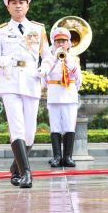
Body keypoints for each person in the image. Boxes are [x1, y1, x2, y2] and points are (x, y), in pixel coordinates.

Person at [0, 0, 47, 188]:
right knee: (17, 127)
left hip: (31, 80)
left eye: (21, 2)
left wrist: (44, 68)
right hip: (10, 80)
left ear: (28, 5)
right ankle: (27, 174)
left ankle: (15, 168)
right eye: (13, 2)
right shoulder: (0, 31)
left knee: (30, 132)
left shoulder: (38, 29)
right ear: (8, 7)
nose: (18, 5)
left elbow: (47, 55)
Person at [40, 27, 82, 168]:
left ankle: (68, 157)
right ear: (53, 43)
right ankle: (57, 157)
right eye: (58, 41)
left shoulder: (74, 59)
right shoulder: (48, 60)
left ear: (69, 43)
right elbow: (44, 78)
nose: (61, 44)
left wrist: (67, 60)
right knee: (55, 127)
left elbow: (78, 79)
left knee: (70, 126)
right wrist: (55, 60)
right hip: (54, 96)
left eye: (64, 41)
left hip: (69, 96)